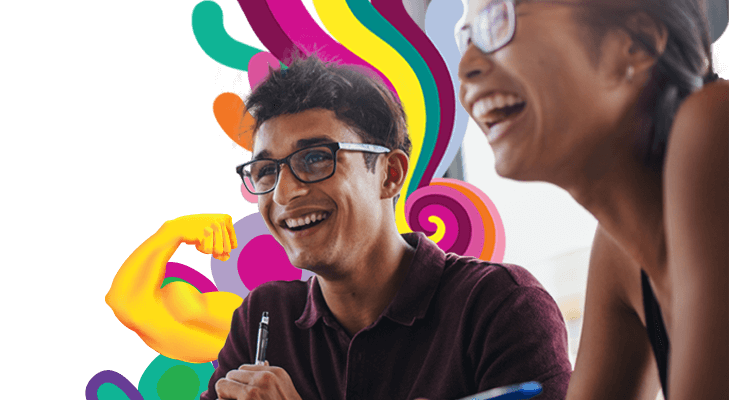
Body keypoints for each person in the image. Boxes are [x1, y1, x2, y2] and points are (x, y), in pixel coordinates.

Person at [107, 54, 573, 400]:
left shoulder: (500, 307)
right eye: (267, 171)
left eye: (315, 158)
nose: (284, 193)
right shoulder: (263, 318)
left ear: (389, 174)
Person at [454, 0, 727, 399]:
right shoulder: (622, 250)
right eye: (466, 38)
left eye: (498, 22)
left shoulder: (716, 125)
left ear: (635, 45)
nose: (465, 68)